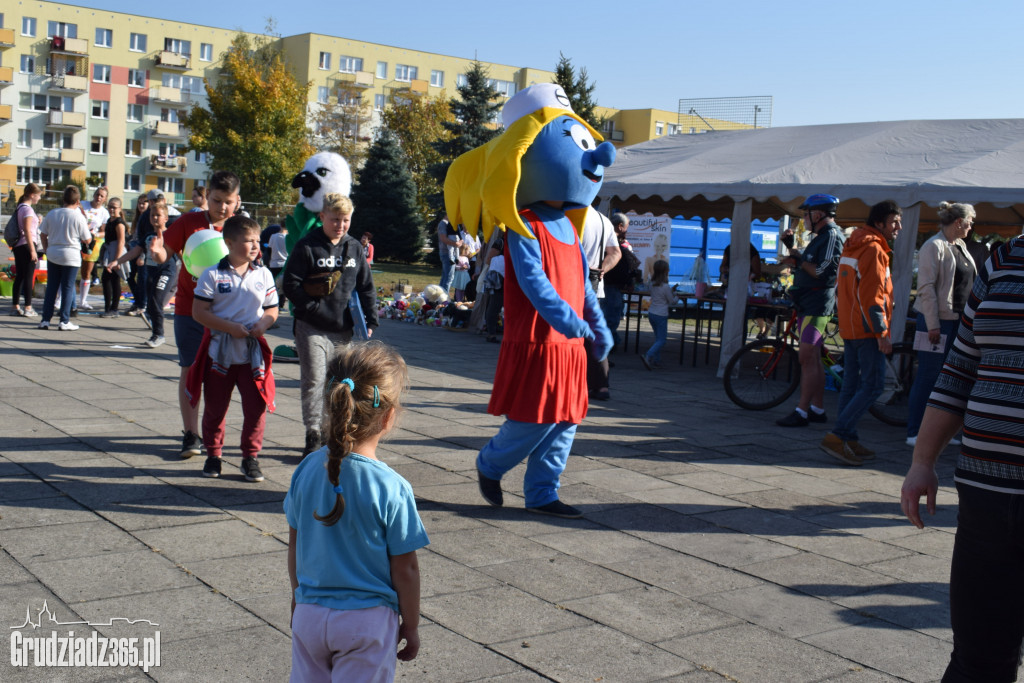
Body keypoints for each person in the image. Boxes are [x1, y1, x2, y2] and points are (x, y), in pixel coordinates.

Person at [900, 235, 1024, 681]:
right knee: (977, 662)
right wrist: (922, 461)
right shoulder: (1007, 257)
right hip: (985, 500)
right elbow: (960, 369)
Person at [285, 342, 427, 682]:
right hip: (367, 622)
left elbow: (295, 546)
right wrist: (411, 623)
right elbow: (405, 569)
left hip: (309, 614)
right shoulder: (392, 487)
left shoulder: (305, 470)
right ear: (389, 415)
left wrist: (297, 599)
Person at [150, 170, 242, 458]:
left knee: (220, 376)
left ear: (237, 201)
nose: (222, 208)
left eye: (228, 202)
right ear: (207, 198)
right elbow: (166, 250)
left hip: (227, 313)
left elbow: (251, 265)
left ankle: (213, 435)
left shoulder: (240, 229)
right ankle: (190, 434)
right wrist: (158, 253)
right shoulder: (189, 222)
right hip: (190, 311)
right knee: (190, 370)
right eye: (216, 200)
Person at [282, 193, 378, 458]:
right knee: (313, 379)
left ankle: (331, 432)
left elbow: (365, 285)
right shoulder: (307, 246)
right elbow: (290, 283)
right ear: (322, 216)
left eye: (345, 220)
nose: (340, 225)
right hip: (310, 326)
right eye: (335, 219)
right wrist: (310, 307)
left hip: (342, 329)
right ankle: (313, 432)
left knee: (338, 383)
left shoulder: (355, 248)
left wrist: (370, 318)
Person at [190, 216, 278, 482]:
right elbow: (198, 312)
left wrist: (264, 323)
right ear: (229, 243)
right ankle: (213, 455)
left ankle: (250, 458)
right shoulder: (212, 275)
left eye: (257, 240)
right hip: (221, 354)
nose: (255, 246)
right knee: (216, 407)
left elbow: (272, 309)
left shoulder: (263, 273)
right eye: (248, 240)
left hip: (252, 355)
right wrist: (228, 327)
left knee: (256, 408)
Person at [821, 200, 902, 465]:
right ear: (879, 223)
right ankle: (839, 435)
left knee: (852, 384)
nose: (898, 227)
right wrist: (882, 333)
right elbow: (873, 297)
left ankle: (849, 438)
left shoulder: (853, 243)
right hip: (867, 329)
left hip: (850, 326)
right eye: (894, 222)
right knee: (874, 385)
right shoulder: (874, 249)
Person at [905, 202, 977, 447]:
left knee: (948, 379)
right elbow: (926, 288)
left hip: (957, 322)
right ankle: (914, 431)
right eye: (969, 221)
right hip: (935, 323)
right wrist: (933, 325)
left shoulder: (960, 246)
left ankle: (941, 433)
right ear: (958, 222)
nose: (971, 226)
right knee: (928, 376)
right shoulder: (933, 246)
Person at [776, 194, 846, 427]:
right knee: (813, 358)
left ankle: (802, 411)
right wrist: (793, 250)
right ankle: (817, 408)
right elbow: (809, 263)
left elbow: (821, 272)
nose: (804, 218)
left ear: (818, 214)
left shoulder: (832, 236)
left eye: (806, 214)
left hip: (817, 304)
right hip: (808, 302)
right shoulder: (821, 236)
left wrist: (799, 259)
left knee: (806, 358)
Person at [37, 185, 92, 331]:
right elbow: (87, 239)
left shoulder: (52, 213)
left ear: (63, 199)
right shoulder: (78, 217)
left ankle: (45, 320)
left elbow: (43, 234)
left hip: (54, 252)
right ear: (78, 201)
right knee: (67, 287)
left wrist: (47, 248)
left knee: (52, 287)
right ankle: (64, 320)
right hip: (71, 254)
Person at [580, 207, 621, 400]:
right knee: (592, 336)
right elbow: (615, 253)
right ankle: (600, 385)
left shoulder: (565, 214)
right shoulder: (603, 220)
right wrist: (602, 269)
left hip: (568, 284)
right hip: (594, 285)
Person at [601, 213, 637, 351]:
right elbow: (618, 268)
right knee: (611, 317)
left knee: (609, 315)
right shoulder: (611, 243)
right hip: (610, 286)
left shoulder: (611, 241)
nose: (627, 231)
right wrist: (628, 280)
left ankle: (611, 342)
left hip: (610, 285)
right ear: (620, 226)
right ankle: (607, 345)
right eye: (626, 227)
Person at [9, 183, 42, 318]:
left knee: (20, 276)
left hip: (18, 246)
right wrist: (33, 250)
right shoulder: (27, 210)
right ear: (32, 195)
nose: (39, 198)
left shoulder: (20, 207)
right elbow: (27, 230)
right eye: (39, 195)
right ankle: (28, 307)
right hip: (26, 245)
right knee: (28, 277)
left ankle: (15, 306)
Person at [77, 186, 109, 310]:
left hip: (91, 243)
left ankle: (83, 301)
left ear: (105, 199)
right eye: (97, 194)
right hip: (76, 240)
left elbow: (104, 232)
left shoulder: (104, 212)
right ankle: (59, 299)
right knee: (69, 270)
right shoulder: (83, 204)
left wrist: (95, 234)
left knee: (86, 272)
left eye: (102, 196)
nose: (98, 197)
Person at [641, 260, 674, 370]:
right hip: (661, 314)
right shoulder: (665, 286)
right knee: (662, 339)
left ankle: (657, 359)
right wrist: (676, 295)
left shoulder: (652, 284)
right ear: (666, 272)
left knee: (658, 338)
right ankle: (648, 355)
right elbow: (671, 301)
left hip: (652, 312)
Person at [99, 197, 128, 317]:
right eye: (109, 206)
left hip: (116, 251)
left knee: (113, 279)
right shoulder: (109, 220)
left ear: (119, 209)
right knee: (107, 279)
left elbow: (121, 242)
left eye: (114, 207)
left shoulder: (119, 223)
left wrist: (117, 260)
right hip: (109, 250)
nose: (111, 209)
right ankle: (108, 308)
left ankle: (114, 308)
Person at [125, 194, 151, 317]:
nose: (141, 205)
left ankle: (142, 305)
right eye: (139, 203)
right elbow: (135, 235)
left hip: (143, 251)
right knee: (129, 276)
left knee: (142, 279)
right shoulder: (138, 218)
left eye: (144, 202)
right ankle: (138, 300)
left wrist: (142, 255)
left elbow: (145, 239)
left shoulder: (148, 218)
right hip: (133, 247)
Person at [482, 236, 505, 343]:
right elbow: (488, 260)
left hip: (513, 278)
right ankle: (491, 334)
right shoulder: (501, 241)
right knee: (494, 306)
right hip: (499, 279)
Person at [436, 214, 461, 293]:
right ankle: (444, 299)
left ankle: (439, 297)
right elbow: (443, 238)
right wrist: (455, 243)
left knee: (445, 277)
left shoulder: (452, 223)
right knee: (448, 278)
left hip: (452, 253)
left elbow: (461, 235)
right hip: (447, 253)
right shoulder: (443, 223)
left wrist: (460, 242)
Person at [268, 225, 289, 307]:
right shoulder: (288, 237)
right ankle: (281, 305)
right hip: (285, 264)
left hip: (274, 263)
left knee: (273, 285)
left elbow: (269, 249)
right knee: (284, 286)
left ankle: (272, 304)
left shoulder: (273, 236)